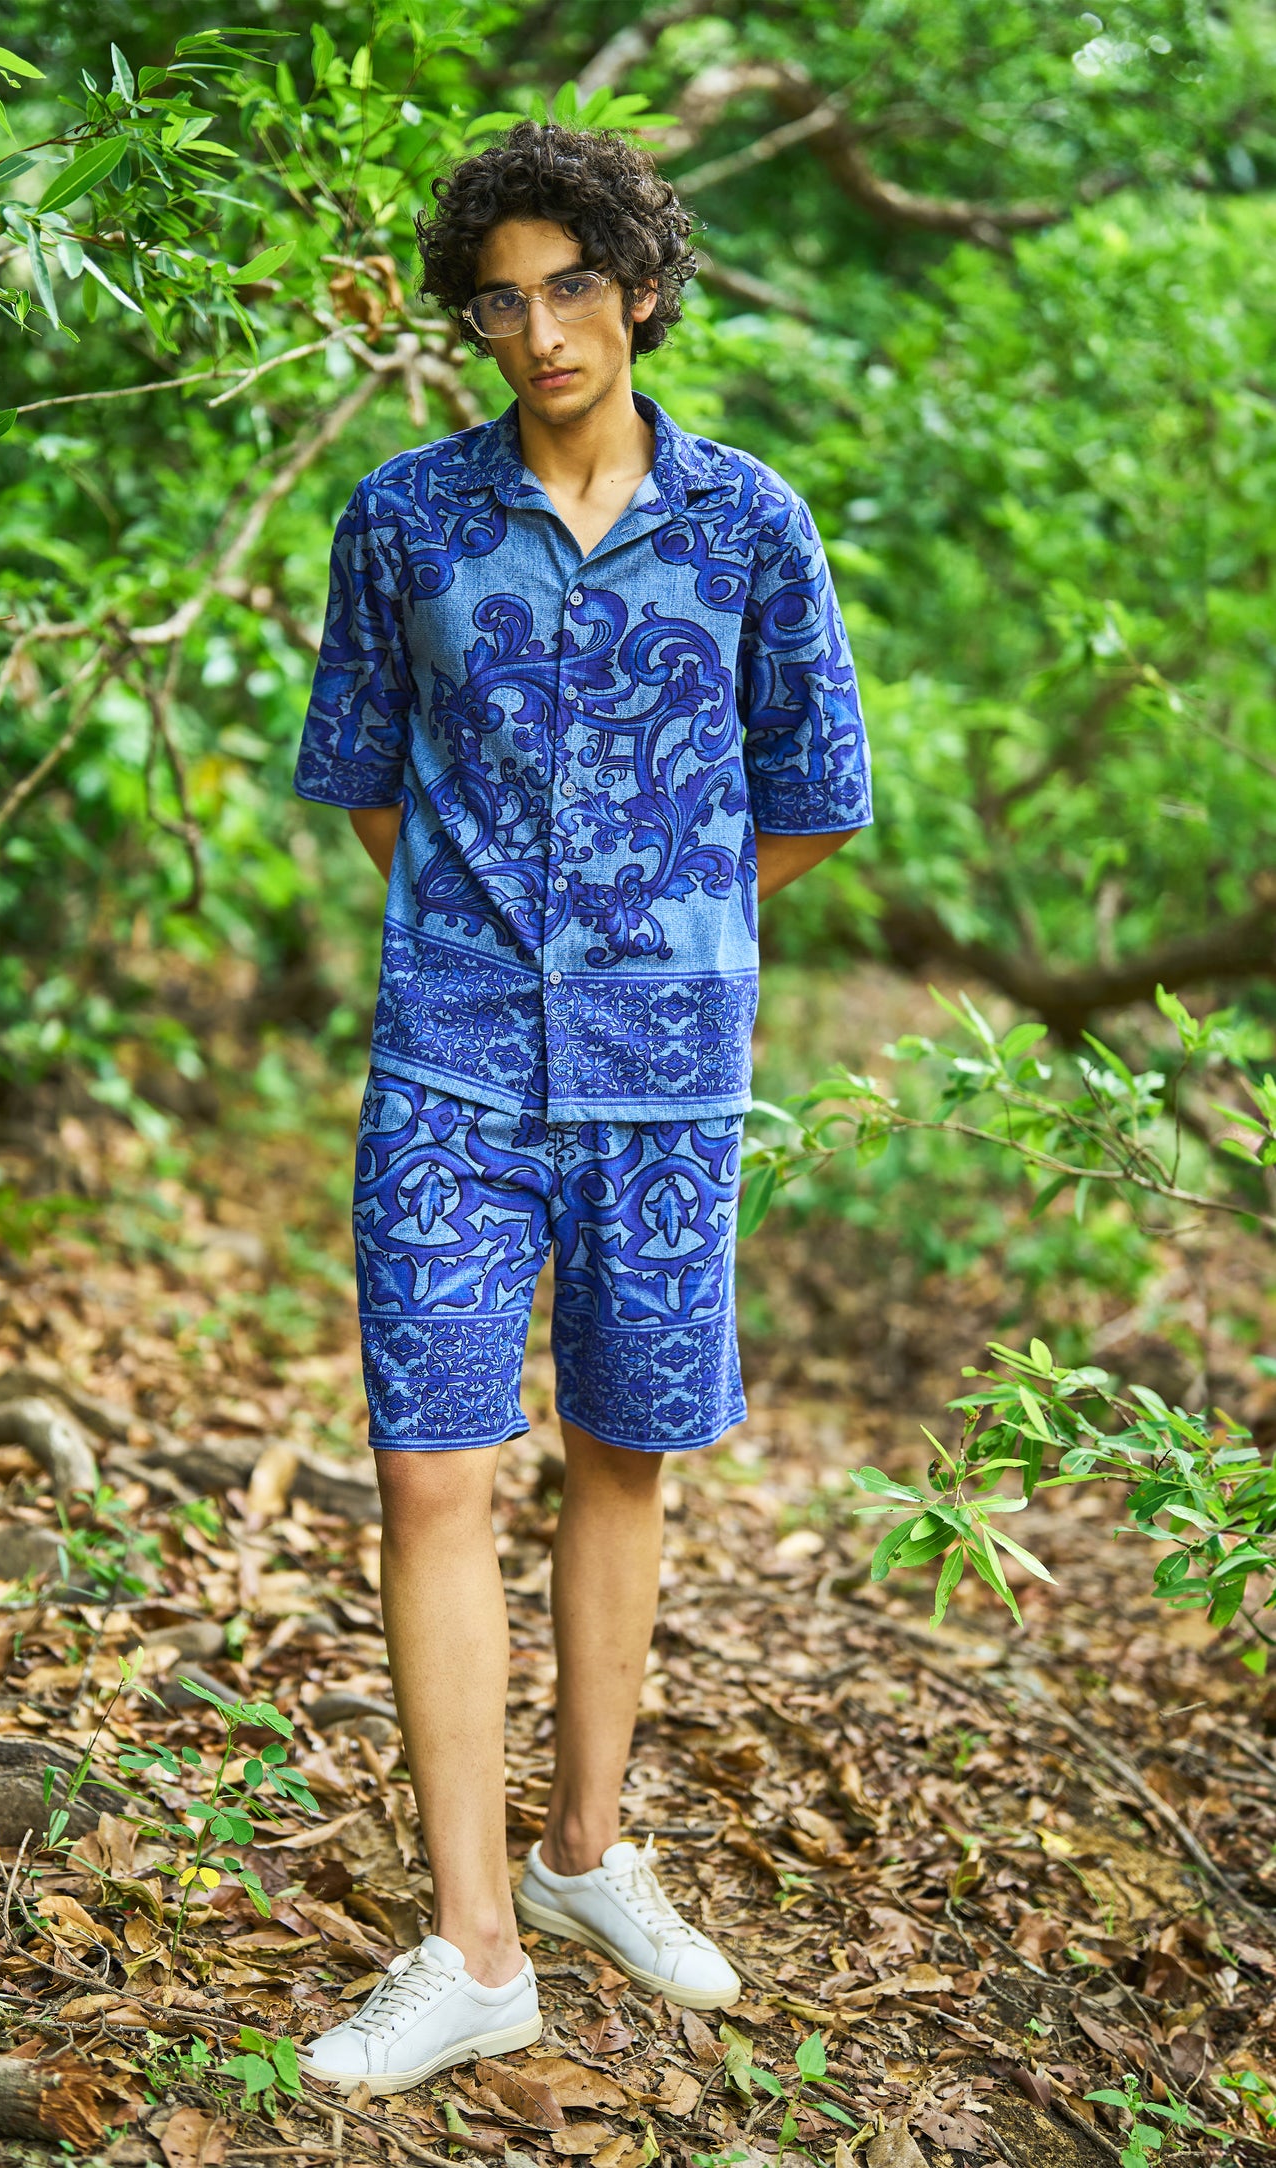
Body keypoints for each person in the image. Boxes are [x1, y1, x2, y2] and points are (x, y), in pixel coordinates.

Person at [292, 120, 872, 2094]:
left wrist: (666, 930)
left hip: (666, 1076)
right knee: (431, 1473)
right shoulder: (403, 518)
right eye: (497, 299)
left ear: (637, 290)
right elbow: (369, 775)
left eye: (568, 287)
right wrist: (492, 931)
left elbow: (817, 790)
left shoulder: (749, 523)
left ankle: (584, 1852)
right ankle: (473, 1949)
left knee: (624, 1452)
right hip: (448, 1068)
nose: (537, 330)